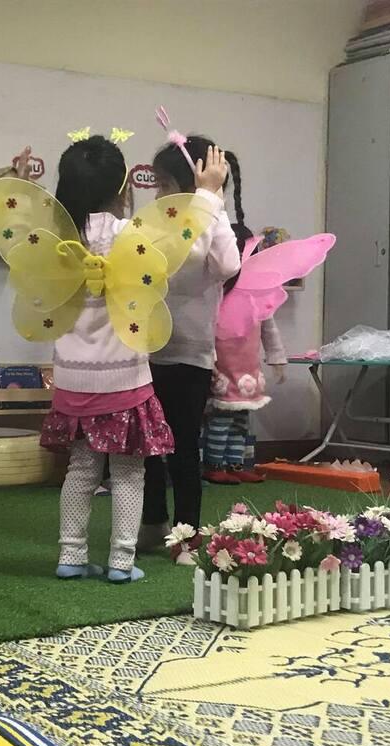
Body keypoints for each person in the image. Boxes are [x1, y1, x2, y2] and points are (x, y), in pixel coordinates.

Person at [33, 137, 230, 583]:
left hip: (72, 381)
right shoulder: (129, 235)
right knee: (127, 472)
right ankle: (122, 561)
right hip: (123, 381)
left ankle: (71, 555)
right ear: (123, 188)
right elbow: (186, 244)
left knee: (81, 470)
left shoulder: (60, 239)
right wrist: (208, 195)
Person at [139, 136, 243, 563]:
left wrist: (212, 203)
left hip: (191, 355)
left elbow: (227, 265)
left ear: (192, 184)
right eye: (157, 184)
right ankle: (153, 523)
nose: (158, 193)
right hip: (148, 350)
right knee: (148, 447)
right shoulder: (160, 222)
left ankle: (187, 535)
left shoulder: (210, 221)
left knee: (183, 447)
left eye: (165, 184)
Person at [203, 227, 289, 485]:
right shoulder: (216, 290)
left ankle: (235, 463)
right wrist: (208, 358)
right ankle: (214, 464)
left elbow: (268, 326)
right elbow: (206, 327)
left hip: (247, 365)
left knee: (241, 418)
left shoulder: (257, 290)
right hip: (224, 365)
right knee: (221, 417)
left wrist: (277, 357)